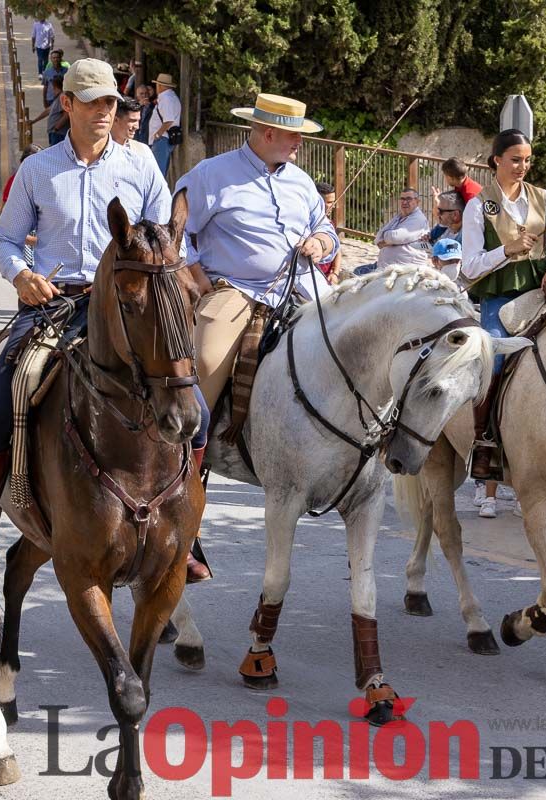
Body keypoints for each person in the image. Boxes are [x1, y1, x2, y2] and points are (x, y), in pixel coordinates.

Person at [0, 58, 185, 591]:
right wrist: (23, 277)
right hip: (55, 304)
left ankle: (185, 533)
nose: (105, 111)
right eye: (94, 101)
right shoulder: (37, 170)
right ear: (67, 104)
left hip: (130, 308)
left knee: (186, 387)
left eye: (111, 103)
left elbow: (167, 240)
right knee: (7, 384)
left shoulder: (141, 164)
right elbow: (7, 240)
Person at [176, 93, 338, 581]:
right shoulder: (210, 175)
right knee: (202, 367)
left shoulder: (303, 182)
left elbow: (326, 227)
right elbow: (177, 231)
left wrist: (322, 241)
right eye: (293, 137)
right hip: (238, 292)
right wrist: (192, 273)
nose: (298, 146)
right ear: (267, 133)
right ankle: (182, 488)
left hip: (307, 289)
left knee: (356, 348)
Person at [461, 128, 546, 517]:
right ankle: (483, 453)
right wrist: (505, 251)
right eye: (515, 159)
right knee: (491, 364)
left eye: (527, 160)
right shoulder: (479, 206)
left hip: (541, 297)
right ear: (496, 161)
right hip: (499, 302)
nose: (522, 166)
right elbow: (469, 267)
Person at [373, 188, 430, 269]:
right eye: (402, 199)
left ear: (417, 201)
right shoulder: (399, 217)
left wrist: (389, 240)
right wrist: (390, 241)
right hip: (387, 267)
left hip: (406, 269)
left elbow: (394, 237)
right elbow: (378, 238)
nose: (404, 202)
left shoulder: (418, 219)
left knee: (358, 274)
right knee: (357, 273)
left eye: (409, 199)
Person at [148, 72, 180, 176]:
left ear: (160, 85)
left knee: (157, 174)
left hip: (162, 139)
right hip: (164, 139)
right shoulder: (169, 97)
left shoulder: (166, 98)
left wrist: (158, 134)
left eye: (157, 84)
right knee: (160, 173)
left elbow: (168, 120)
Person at [314, 181, 343, 282]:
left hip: (328, 277)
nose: (333, 205)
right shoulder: (306, 224)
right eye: (329, 202)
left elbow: (338, 250)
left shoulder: (329, 223)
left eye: (333, 201)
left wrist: (335, 273)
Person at [28, 76, 68, 146]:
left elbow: (66, 114)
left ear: (55, 86)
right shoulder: (57, 98)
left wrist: (56, 128)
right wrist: (34, 121)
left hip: (58, 133)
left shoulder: (62, 97)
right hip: (54, 132)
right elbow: (48, 110)